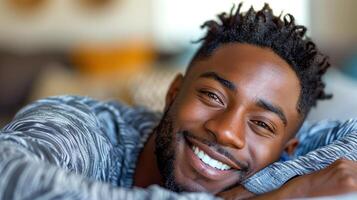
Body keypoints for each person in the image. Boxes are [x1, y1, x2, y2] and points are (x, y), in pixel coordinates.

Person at [1, 3, 357, 200]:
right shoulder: (83, 128)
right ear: (174, 92)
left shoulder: (279, 158)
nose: (226, 133)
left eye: (262, 124)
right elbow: (8, 174)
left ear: (287, 149)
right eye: (213, 96)